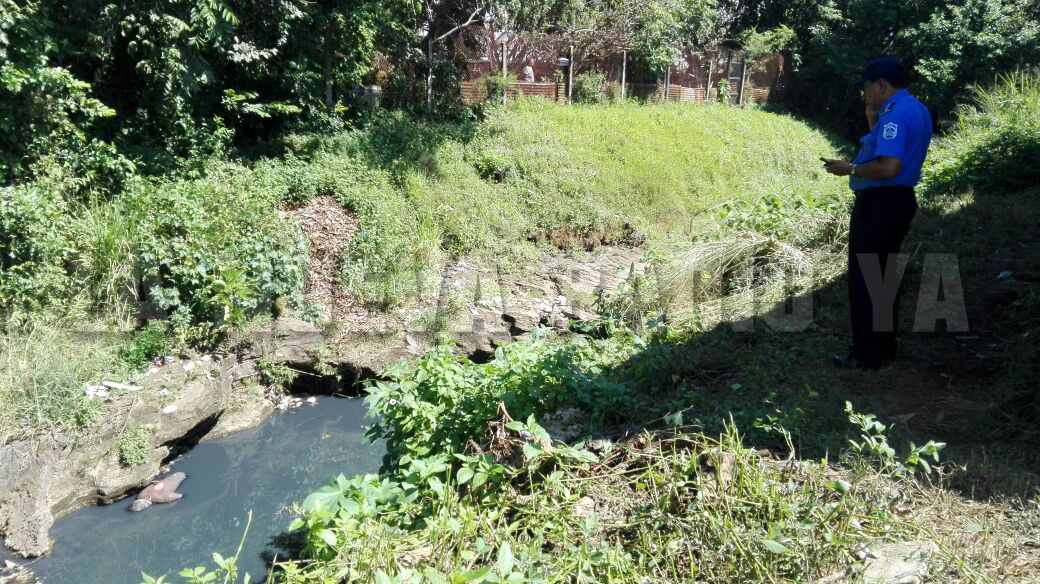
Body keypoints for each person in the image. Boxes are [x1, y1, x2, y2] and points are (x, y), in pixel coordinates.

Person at [823, 56, 932, 370]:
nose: (864, 94)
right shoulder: (915, 109)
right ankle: (883, 348)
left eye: (866, 88)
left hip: (880, 204)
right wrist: (872, 118)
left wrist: (849, 169)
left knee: (866, 277)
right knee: (883, 276)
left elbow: (889, 166)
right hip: (898, 202)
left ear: (882, 84)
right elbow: (888, 151)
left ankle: (866, 355)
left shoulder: (895, 116)